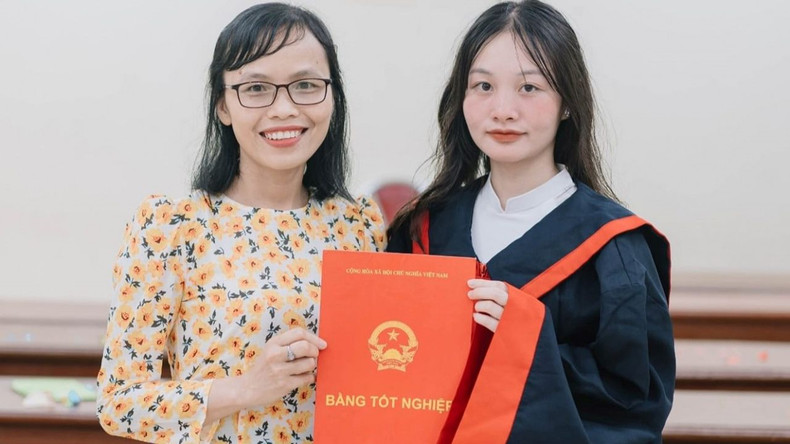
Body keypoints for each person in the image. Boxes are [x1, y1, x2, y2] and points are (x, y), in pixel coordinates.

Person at [96, 4, 385, 443]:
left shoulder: (359, 224)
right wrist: (248, 389)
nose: (284, 108)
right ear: (223, 105)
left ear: (332, 97)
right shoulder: (172, 226)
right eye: (256, 88)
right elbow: (119, 404)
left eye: (306, 85)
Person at [387, 1, 674, 442]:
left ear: (567, 104)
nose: (502, 110)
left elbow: (632, 408)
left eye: (529, 88)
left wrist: (525, 338)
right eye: (483, 86)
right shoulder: (424, 229)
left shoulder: (615, 248)